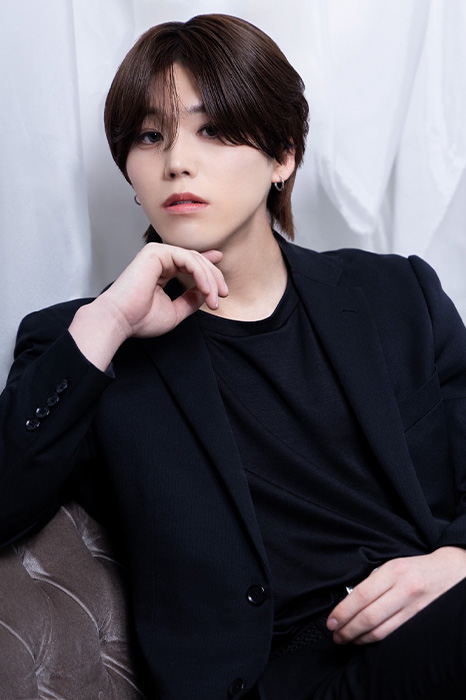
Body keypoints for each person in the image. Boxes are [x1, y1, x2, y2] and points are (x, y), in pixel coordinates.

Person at [1, 13, 466, 699]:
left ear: (283, 156)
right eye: (150, 136)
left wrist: (456, 561)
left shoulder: (396, 294)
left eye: (213, 129)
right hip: (284, 679)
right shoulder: (81, 342)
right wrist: (109, 323)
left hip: (433, 626)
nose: (176, 161)